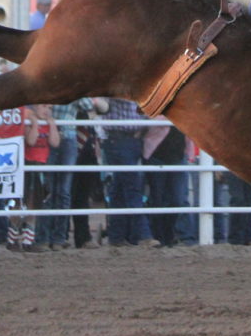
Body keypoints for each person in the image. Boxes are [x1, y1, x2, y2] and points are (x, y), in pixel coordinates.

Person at [99, 98, 160, 248]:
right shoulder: (121, 85)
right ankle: (143, 235)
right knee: (132, 186)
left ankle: (116, 235)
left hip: (129, 139)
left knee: (120, 188)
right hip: (119, 138)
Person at [49, 97, 107, 250]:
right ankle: (62, 234)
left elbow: (104, 107)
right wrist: (94, 104)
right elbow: (95, 106)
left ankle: (80, 236)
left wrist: (94, 103)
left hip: (84, 141)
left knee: (80, 192)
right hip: (69, 138)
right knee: (65, 190)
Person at [12, 104, 59, 253]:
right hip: (28, 164)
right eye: (43, 106)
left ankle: (28, 240)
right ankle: (12, 238)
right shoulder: (28, 122)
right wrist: (34, 125)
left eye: (49, 107)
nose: (47, 110)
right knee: (20, 203)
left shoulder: (47, 122)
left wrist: (52, 125)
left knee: (35, 204)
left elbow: (55, 142)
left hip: (40, 165)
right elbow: (31, 141)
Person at [143, 123, 190, 247]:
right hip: (156, 155)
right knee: (157, 200)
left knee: (177, 200)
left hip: (178, 155)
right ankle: (160, 237)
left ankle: (169, 235)